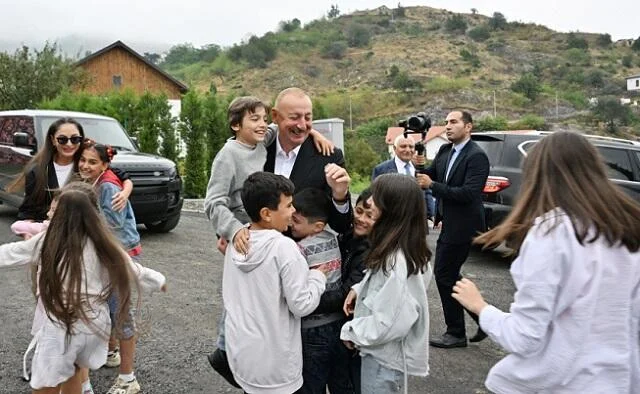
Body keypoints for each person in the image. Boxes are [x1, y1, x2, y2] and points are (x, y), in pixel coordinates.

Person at [451, 131, 640, 393]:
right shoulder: (627, 231)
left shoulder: (552, 234)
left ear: (536, 176)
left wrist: (480, 307)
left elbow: (524, 337)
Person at [203, 96, 334, 386]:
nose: (263, 125)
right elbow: (213, 202)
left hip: (266, 233)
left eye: (264, 118)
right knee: (241, 303)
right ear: (236, 125)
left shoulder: (262, 139)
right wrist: (233, 230)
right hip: (246, 234)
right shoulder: (228, 156)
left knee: (266, 303)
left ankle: (252, 361)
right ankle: (227, 355)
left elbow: (287, 128)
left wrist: (312, 132)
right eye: (255, 119)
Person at [0, 181, 166, 394]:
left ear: (62, 216)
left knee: (45, 382)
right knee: (74, 371)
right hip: (94, 326)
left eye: (55, 210)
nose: (50, 213)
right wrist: (159, 280)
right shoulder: (103, 243)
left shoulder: (49, 239)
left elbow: (14, 253)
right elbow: (133, 270)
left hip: (62, 325)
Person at [223, 172, 328, 394]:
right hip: (277, 366)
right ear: (266, 214)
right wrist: (318, 277)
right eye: (288, 206)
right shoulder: (283, 248)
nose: (293, 212)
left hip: (243, 357)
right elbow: (301, 304)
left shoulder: (237, 239)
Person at [340, 174, 431, 394]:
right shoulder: (402, 249)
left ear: (392, 211)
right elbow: (392, 293)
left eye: (377, 199)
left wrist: (351, 331)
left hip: (384, 361)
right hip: (385, 356)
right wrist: (358, 289)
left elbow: (390, 322)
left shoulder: (395, 262)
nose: (369, 202)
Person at [417, 110, 490, 348]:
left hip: (465, 225)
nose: (447, 126)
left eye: (454, 122)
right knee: (448, 274)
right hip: (450, 223)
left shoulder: (477, 156)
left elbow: (469, 193)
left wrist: (433, 185)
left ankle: (457, 332)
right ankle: (482, 317)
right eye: (446, 122)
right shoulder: (445, 151)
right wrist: (420, 166)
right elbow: (430, 175)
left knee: (445, 274)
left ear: (468, 127)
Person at [79, 140, 144, 394]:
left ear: (105, 165)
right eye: (83, 160)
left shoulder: (106, 185)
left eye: (93, 162)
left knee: (121, 312)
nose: (85, 165)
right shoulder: (97, 181)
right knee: (109, 306)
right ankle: (111, 351)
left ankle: (128, 378)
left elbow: (112, 226)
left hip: (118, 255)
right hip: (109, 253)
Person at [10, 117, 132, 223]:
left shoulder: (85, 164)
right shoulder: (37, 171)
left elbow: (121, 175)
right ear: (53, 140)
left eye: (74, 139)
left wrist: (125, 192)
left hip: (81, 239)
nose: (69, 144)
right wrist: (30, 237)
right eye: (62, 139)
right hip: (49, 237)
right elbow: (28, 212)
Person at [290, 188, 352, 394]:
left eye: (296, 221)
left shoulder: (299, 249)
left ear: (317, 226)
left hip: (312, 328)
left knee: (311, 383)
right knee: (341, 382)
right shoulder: (334, 236)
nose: (291, 224)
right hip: (339, 324)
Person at [264, 87, 352, 234]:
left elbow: (341, 226)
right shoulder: (256, 148)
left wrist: (340, 196)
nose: (302, 125)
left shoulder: (328, 157)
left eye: (307, 117)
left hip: (302, 255)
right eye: (294, 117)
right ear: (275, 115)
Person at [371, 135, 434, 222]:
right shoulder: (381, 169)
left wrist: (432, 214)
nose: (408, 150)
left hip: (417, 222)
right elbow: (376, 196)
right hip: (391, 222)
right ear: (394, 148)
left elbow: (427, 193)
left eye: (411, 147)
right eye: (403, 146)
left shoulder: (420, 169)